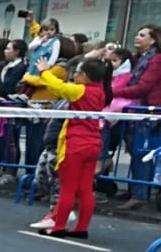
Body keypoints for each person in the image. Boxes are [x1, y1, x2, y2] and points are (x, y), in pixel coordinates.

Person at [25, 55, 110, 238]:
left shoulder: (80, 91)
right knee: (86, 189)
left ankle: (59, 227)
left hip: (76, 143)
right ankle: (81, 228)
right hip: (94, 143)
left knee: (68, 188)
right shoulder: (101, 92)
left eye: (78, 72)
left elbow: (58, 87)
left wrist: (44, 71)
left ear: (86, 76)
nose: (75, 75)